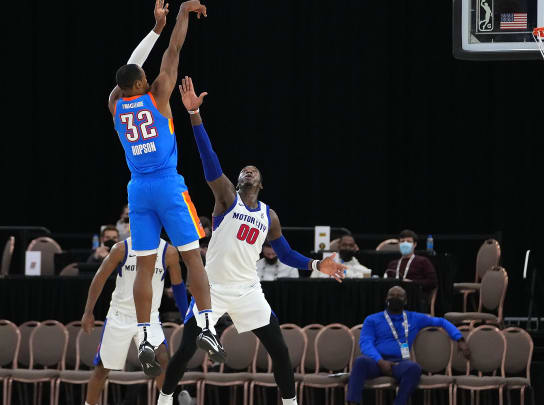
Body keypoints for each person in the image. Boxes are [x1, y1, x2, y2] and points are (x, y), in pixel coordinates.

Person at [155, 76, 347, 405]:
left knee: (280, 350)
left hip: (247, 290)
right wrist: (194, 115)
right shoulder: (228, 199)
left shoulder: (269, 216)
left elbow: (284, 253)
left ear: (261, 183)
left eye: (253, 170)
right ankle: (163, 401)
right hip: (211, 288)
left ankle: (290, 404)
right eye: (244, 170)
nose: (247, 171)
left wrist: (317, 263)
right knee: (186, 348)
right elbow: (209, 160)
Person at [106, 0, 222, 375]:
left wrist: (154, 29)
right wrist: (181, 16)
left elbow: (130, 67)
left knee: (143, 268)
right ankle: (206, 324)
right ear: (141, 82)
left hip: (137, 191)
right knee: (192, 256)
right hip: (168, 186)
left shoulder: (114, 103)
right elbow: (173, 51)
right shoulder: (157, 95)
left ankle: (144, 335)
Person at [80, 236, 188, 404]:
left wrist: (185, 315)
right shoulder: (122, 248)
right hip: (120, 315)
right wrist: (88, 311)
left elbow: (178, 285)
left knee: (162, 358)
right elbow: (99, 277)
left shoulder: (169, 252)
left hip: (150, 316)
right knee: (103, 368)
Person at [347, 286, 471, 405]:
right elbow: (365, 343)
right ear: (386, 299)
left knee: (414, 368)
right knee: (360, 362)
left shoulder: (414, 318)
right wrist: (380, 361)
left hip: (398, 364)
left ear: (405, 301)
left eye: (399, 296)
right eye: (392, 295)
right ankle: (353, 402)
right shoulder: (372, 319)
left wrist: (460, 339)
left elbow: (442, 322)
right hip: (376, 362)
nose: (395, 298)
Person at [385, 230, 438, 311]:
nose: (405, 243)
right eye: (402, 241)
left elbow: (432, 282)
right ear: (399, 244)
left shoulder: (423, 261)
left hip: (414, 299)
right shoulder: (393, 264)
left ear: (415, 244)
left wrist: (412, 283)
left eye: (409, 241)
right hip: (393, 299)